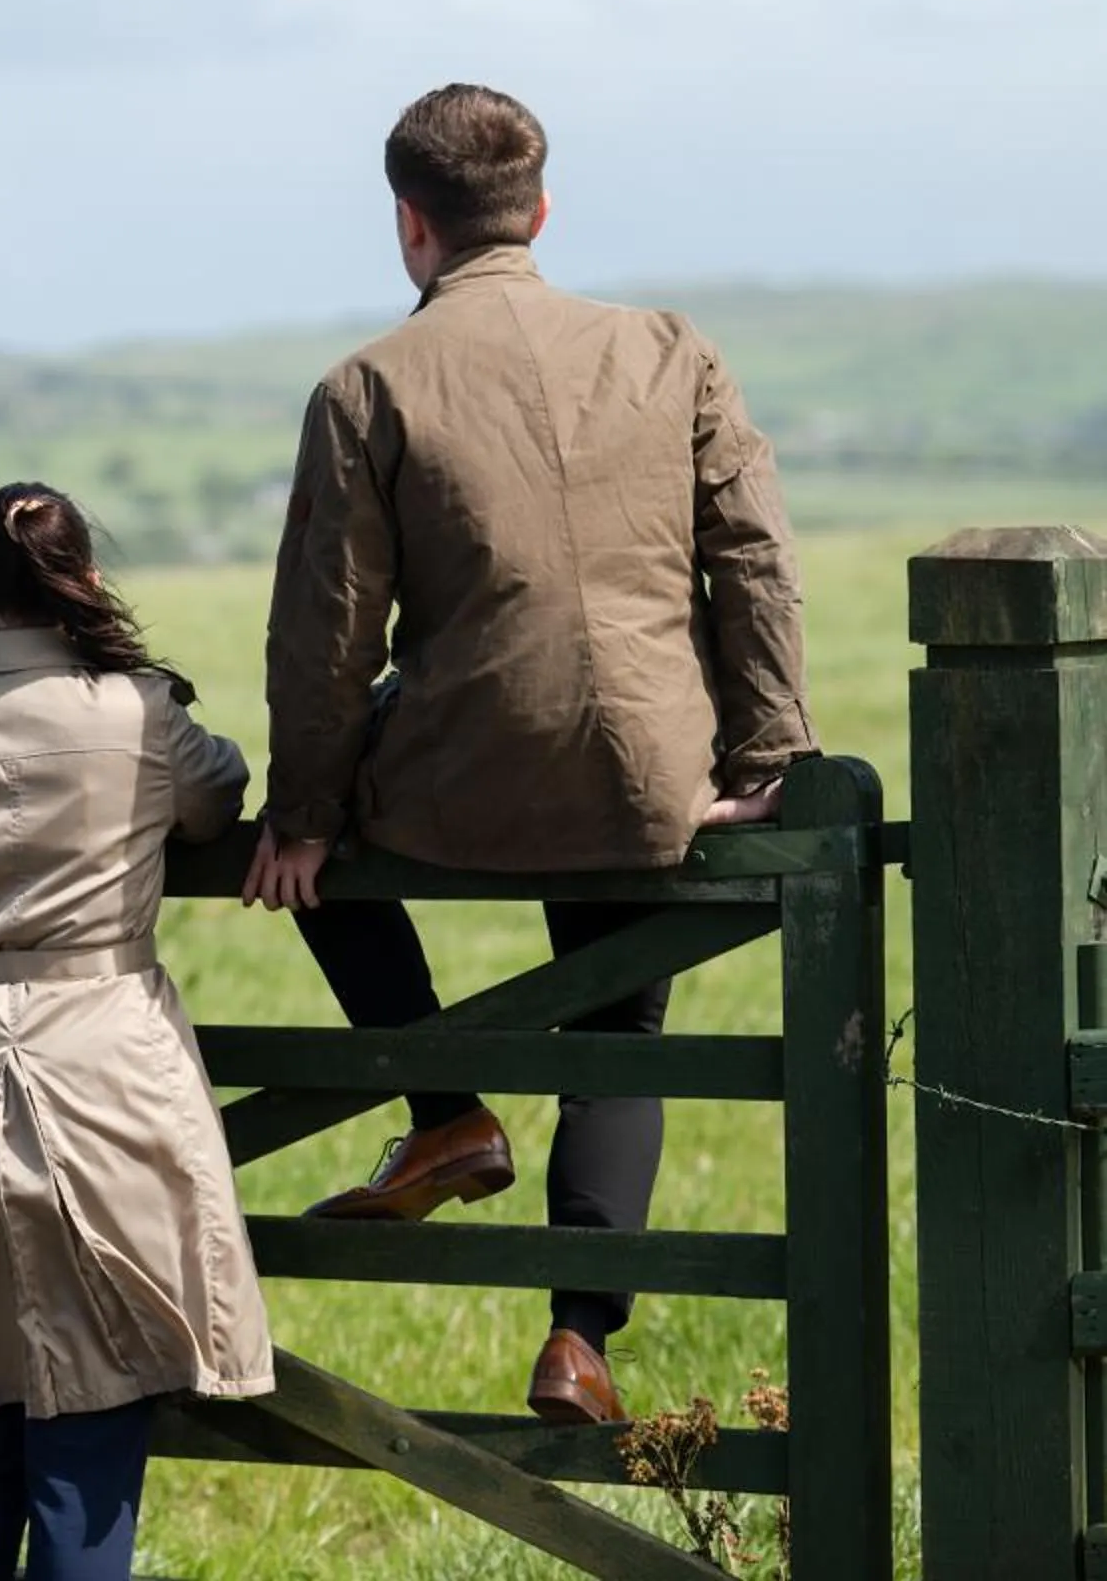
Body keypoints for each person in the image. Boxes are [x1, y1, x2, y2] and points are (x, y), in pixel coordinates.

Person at [240, 83, 816, 1426]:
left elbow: (330, 629)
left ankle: (449, 1110)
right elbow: (754, 556)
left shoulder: (367, 385)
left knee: (309, 865)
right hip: (653, 770)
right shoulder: (673, 349)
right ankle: (578, 1340)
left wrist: (304, 812)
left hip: (452, 772)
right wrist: (768, 748)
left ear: (410, 223)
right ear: (540, 211)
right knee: (618, 1032)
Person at [0, 482, 272, 1581]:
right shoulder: (137, 713)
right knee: (89, 1422)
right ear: (83, 581)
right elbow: (220, 793)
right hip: (107, 1074)